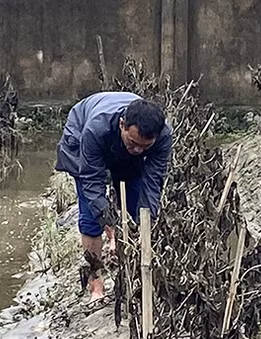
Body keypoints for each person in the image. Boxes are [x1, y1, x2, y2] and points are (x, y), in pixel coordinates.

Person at [54, 91, 173, 301]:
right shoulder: (95, 129)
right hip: (82, 131)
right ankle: (96, 283)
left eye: (145, 146)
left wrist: (145, 221)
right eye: (133, 142)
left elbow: (153, 183)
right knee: (91, 216)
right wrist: (111, 224)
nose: (137, 149)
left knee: (138, 206)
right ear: (122, 125)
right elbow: (91, 182)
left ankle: (131, 271)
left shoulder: (163, 136)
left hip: (117, 145)